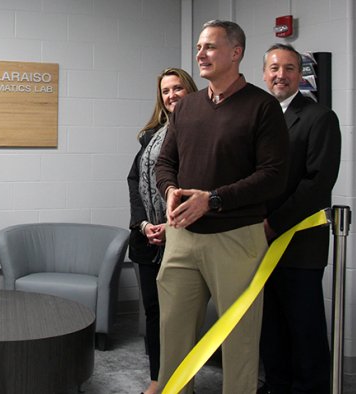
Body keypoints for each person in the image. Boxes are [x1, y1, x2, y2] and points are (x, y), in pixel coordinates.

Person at [154, 20, 289, 393]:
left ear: (236, 53)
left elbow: (273, 176)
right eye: (199, 47)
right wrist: (169, 191)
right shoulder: (187, 107)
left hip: (236, 240)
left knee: (239, 341)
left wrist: (212, 200)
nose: (201, 54)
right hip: (182, 238)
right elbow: (165, 163)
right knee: (174, 337)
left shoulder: (263, 108)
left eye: (210, 47)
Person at [258, 43, 341, 394]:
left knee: (303, 326)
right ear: (265, 73)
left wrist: (273, 222)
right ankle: (276, 385)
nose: (281, 75)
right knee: (270, 324)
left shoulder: (319, 117)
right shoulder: (259, 117)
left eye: (289, 68)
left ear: (300, 74)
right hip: (257, 243)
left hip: (298, 245)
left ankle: (310, 388)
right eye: (275, 68)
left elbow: (317, 182)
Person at [127, 67, 197, 394]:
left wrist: (172, 226)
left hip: (184, 237)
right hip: (147, 240)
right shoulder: (151, 136)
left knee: (180, 317)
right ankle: (158, 379)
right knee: (154, 313)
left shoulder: (201, 130)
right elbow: (134, 181)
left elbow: (200, 183)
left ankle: (183, 380)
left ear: (190, 90)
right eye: (166, 91)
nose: (171, 95)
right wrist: (144, 225)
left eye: (177, 88)